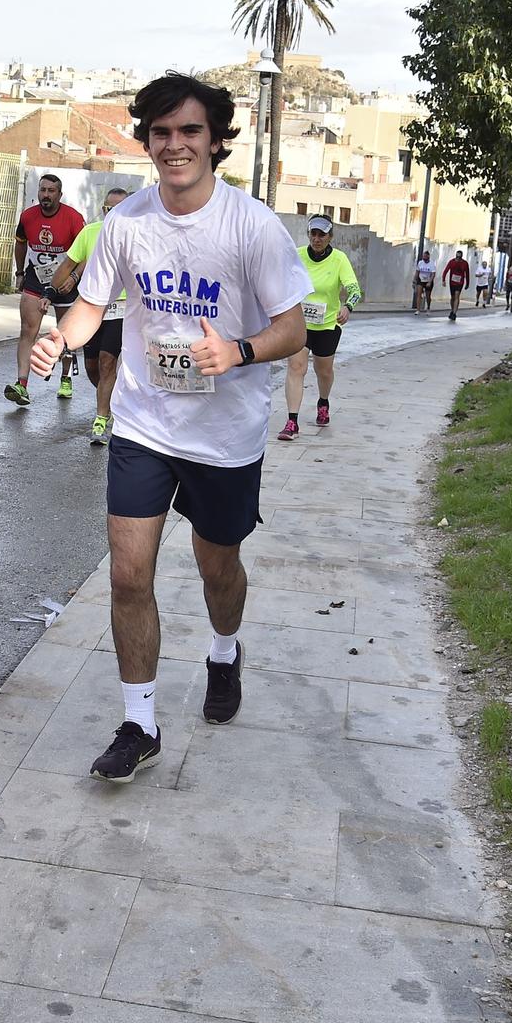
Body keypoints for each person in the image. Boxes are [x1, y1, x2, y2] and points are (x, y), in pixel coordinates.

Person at [29, 74, 309, 782]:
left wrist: (238, 351)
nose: (175, 144)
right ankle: (139, 720)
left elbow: (293, 328)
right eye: (161, 132)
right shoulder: (127, 223)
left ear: (215, 140)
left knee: (218, 568)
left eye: (189, 131)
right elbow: (93, 305)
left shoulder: (252, 226)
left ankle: (224, 649)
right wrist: (61, 338)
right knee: (128, 574)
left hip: (226, 433)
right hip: (145, 422)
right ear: (146, 140)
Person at [52, 185, 130, 446]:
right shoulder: (90, 233)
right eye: (110, 209)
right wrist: (48, 292)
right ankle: (109, 402)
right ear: (103, 210)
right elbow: (69, 263)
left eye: (120, 209)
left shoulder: (136, 236)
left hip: (122, 307)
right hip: (93, 308)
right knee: (92, 367)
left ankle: (100, 419)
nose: (114, 214)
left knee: (108, 362)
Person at [5, 174, 87, 407]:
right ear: (38, 192)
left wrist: (73, 277)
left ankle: (66, 378)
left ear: (59, 195)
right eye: (43, 190)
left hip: (65, 283)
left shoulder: (73, 218)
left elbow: (86, 252)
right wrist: (19, 272)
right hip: (36, 279)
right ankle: (22, 384)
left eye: (51, 191)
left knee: (66, 335)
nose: (46, 195)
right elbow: (20, 243)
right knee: (27, 331)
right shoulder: (28, 217)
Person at [279, 214, 361, 441]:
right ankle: (292, 422)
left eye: (322, 235)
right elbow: (281, 282)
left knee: (323, 371)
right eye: (313, 234)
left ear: (330, 236)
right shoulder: (297, 255)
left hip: (327, 325)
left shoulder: (339, 259)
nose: (316, 239)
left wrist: (348, 308)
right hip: (299, 324)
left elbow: (355, 290)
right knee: (296, 367)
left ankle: (323, 401)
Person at [443, 249, 470, 321]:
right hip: (452, 282)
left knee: (457, 296)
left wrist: (467, 283)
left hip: (460, 282)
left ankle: (454, 313)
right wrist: (443, 280)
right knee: (452, 297)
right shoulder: (452, 262)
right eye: (457, 257)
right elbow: (446, 270)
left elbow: (467, 273)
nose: (458, 258)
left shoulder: (465, 263)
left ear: (461, 257)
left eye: (459, 257)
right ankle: (452, 310)